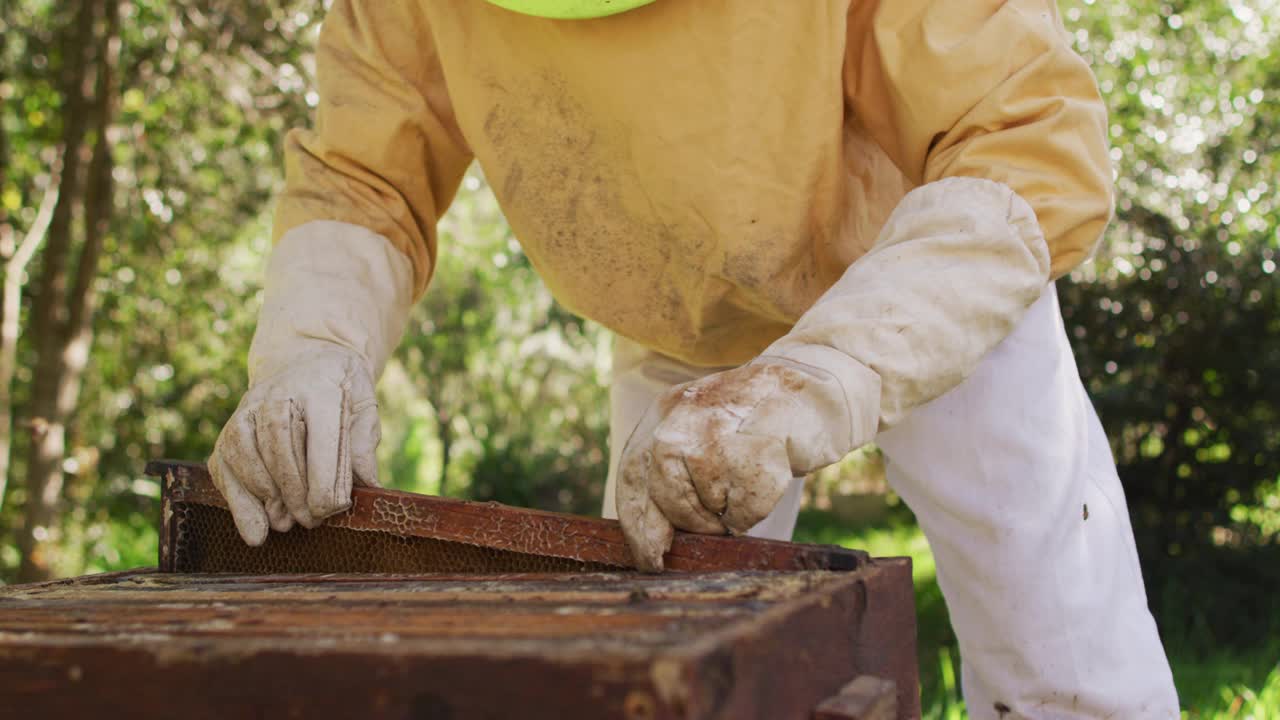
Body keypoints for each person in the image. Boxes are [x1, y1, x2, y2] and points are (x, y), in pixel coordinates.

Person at [208, 1, 1179, 716]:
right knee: (670, 679)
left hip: (922, 291)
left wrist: (822, 375)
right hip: (676, 335)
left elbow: (1026, 133)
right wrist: (310, 347)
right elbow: (364, 174)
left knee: (1061, 662)